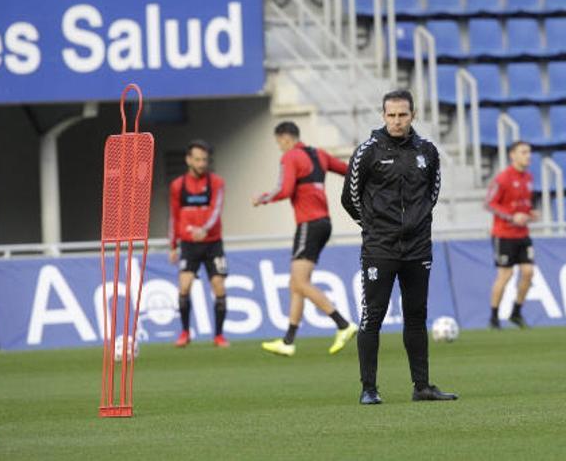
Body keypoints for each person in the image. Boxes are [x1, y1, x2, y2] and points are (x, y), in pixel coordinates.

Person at [342, 90, 458, 405]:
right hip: (380, 247)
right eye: (391, 115)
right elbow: (349, 198)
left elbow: (431, 193)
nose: (397, 121)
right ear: (383, 116)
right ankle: (369, 388)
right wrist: (373, 227)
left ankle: (422, 387)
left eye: (402, 115)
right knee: (372, 317)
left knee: (417, 316)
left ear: (413, 115)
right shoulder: (367, 151)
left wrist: (416, 224)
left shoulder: (427, 150)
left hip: (418, 248)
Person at [254, 121, 358, 357]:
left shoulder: (290, 157)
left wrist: (262, 198)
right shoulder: (319, 154)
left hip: (308, 224)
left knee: (299, 283)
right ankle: (288, 341)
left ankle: (343, 324)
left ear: (285, 138)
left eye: (279, 143)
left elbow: (285, 189)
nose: (280, 147)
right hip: (324, 223)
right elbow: (347, 169)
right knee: (296, 283)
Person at [168, 140, 229, 348]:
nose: (202, 163)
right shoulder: (178, 185)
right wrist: (173, 245)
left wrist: (204, 229)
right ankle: (185, 332)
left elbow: (216, 209)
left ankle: (219, 335)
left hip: (212, 243)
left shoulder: (216, 182)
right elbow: (174, 216)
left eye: (204, 159)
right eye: (197, 159)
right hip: (189, 244)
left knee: (219, 286)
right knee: (184, 287)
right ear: (188, 160)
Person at [485, 141, 540, 330]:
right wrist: (511, 216)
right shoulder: (502, 179)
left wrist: (530, 213)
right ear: (512, 155)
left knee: (528, 272)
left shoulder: (528, 178)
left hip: (522, 234)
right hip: (504, 234)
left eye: (529, 152)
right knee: (505, 274)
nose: (528, 156)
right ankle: (493, 317)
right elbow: (489, 204)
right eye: (524, 152)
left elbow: (522, 204)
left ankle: (516, 312)